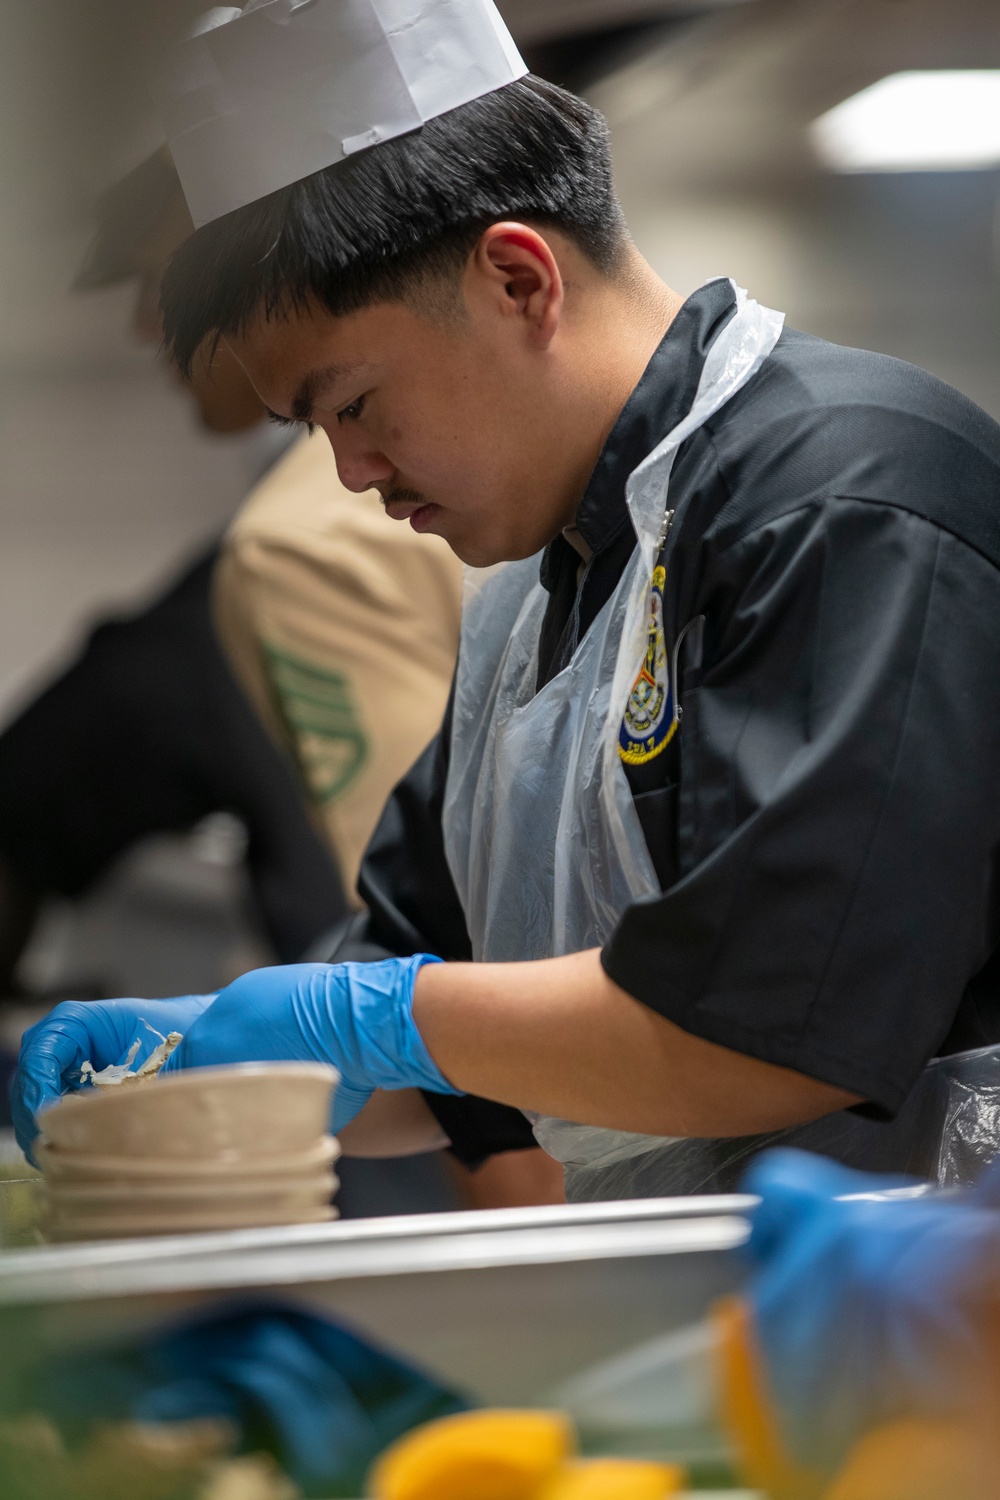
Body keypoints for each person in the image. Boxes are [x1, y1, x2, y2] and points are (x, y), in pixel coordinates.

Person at [15, 0, 1000, 1203]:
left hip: (936, 1309)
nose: (351, 475)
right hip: (728, 1323)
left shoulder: (842, 495)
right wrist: (198, 1061)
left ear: (518, 280)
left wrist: (367, 1017)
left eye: (357, 405)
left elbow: (769, 1024)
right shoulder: (531, 607)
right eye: (317, 430)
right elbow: (450, 1042)